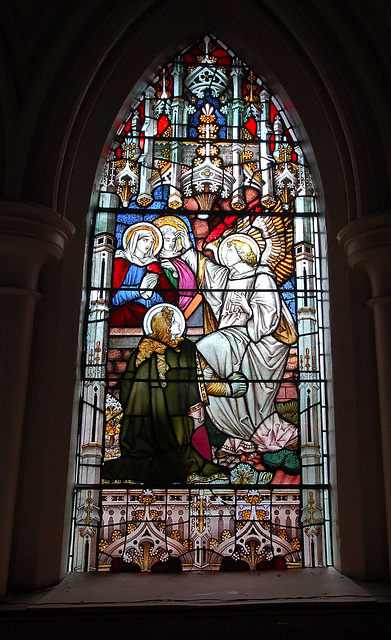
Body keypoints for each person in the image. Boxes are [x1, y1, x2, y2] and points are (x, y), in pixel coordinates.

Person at [180, 232, 298, 464]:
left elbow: (267, 319)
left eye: (230, 250)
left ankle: (255, 432)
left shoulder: (261, 277)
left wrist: (246, 307)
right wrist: (186, 252)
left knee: (208, 346)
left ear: (243, 252)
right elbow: (208, 272)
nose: (225, 253)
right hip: (231, 338)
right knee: (213, 350)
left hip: (258, 342)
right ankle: (236, 434)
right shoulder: (227, 276)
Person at [102, 304, 247, 485]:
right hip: (178, 422)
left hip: (142, 427)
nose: (180, 326)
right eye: (174, 323)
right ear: (163, 327)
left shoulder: (149, 352)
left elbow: (126, 390)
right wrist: (229, 389)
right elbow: (205, 380)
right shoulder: (169, 350)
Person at [110, 222, 178, 327]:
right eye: (145, 240)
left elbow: (169, 296)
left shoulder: (153, 265)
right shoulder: (119, 262)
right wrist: (139, 291)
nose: (149, 244)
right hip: (121, 316)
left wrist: (150, 295)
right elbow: (111, 297)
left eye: (152, 242)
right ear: (134, 240)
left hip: (148, 317)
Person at [153, 216, 202, 324]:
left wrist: (175, 273)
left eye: (173, 240)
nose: (171, 243)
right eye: (167, 239)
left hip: (190, 307)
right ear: (159, 239)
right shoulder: (152, 261)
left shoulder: (181, 262)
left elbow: (198, 275)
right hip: (162, 309)